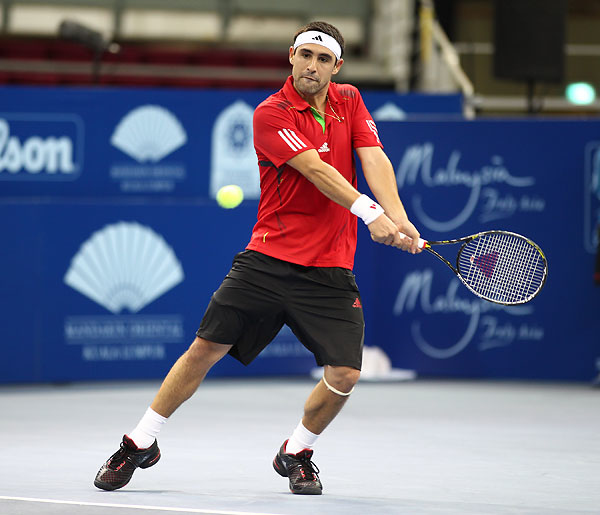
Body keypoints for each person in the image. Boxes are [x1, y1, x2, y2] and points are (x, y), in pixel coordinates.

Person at [94, 20, 421, 496]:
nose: (312, 66)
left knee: (346, 374)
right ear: (291, 56)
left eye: (323, 59)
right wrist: (372, 214)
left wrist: (399, 217)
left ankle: (297, 452)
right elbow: (315, 170)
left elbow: (374, 158)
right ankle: (140, 441)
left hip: (330, 267)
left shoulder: (349, 100)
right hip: (268, 259)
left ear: (337, 67)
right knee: (205, 348)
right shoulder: (271, 113)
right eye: (305, 55)